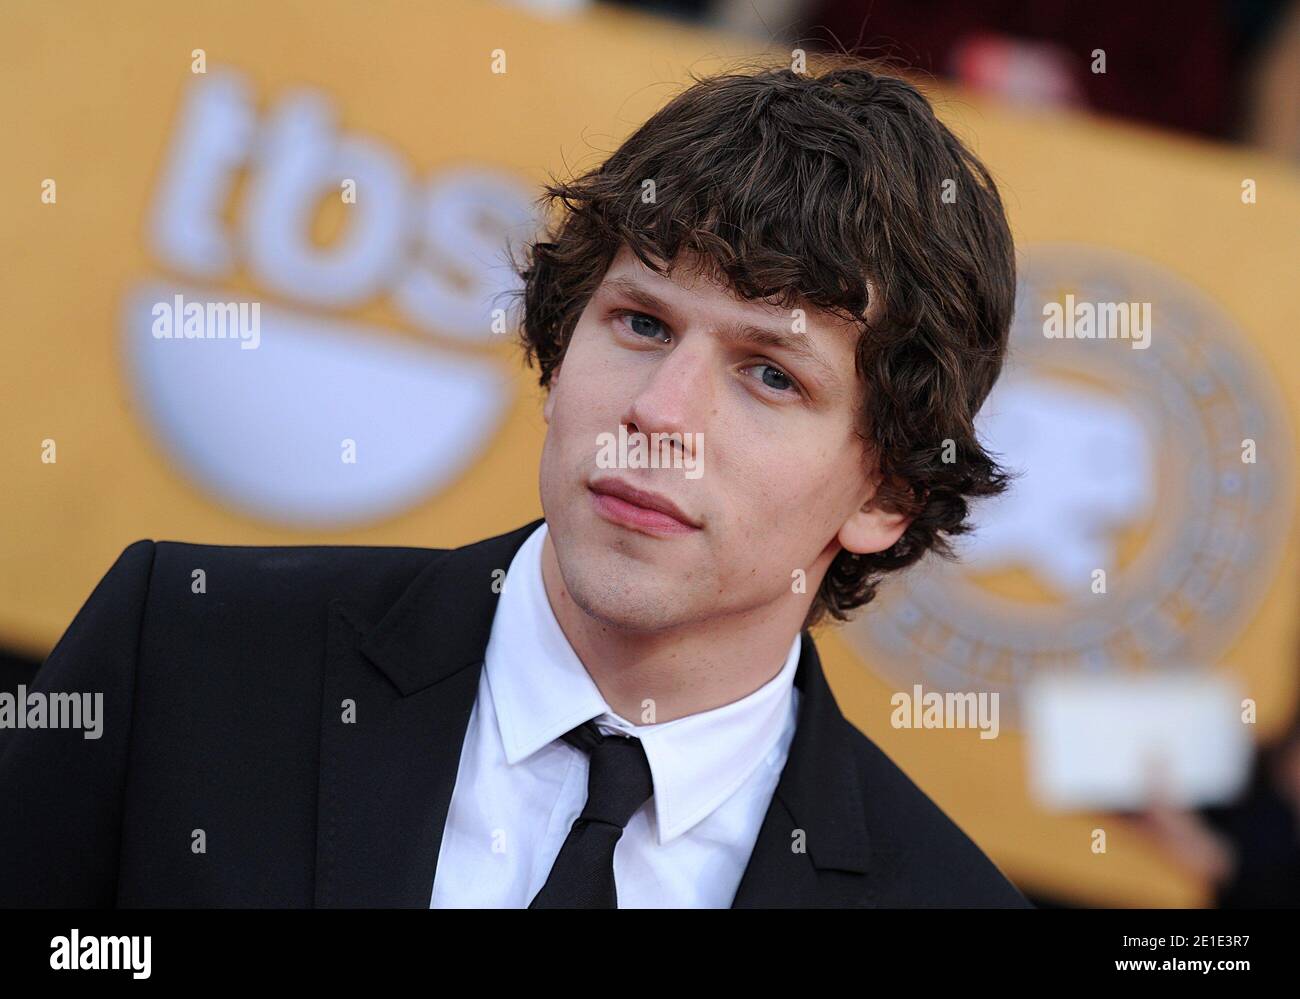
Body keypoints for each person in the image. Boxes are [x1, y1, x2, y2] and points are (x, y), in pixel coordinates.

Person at [0, 54, 1029, 908]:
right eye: (640, 322)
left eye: (769, 373)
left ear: (885, 496)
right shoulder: (188, 650)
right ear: (560, 341)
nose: (660, 414)